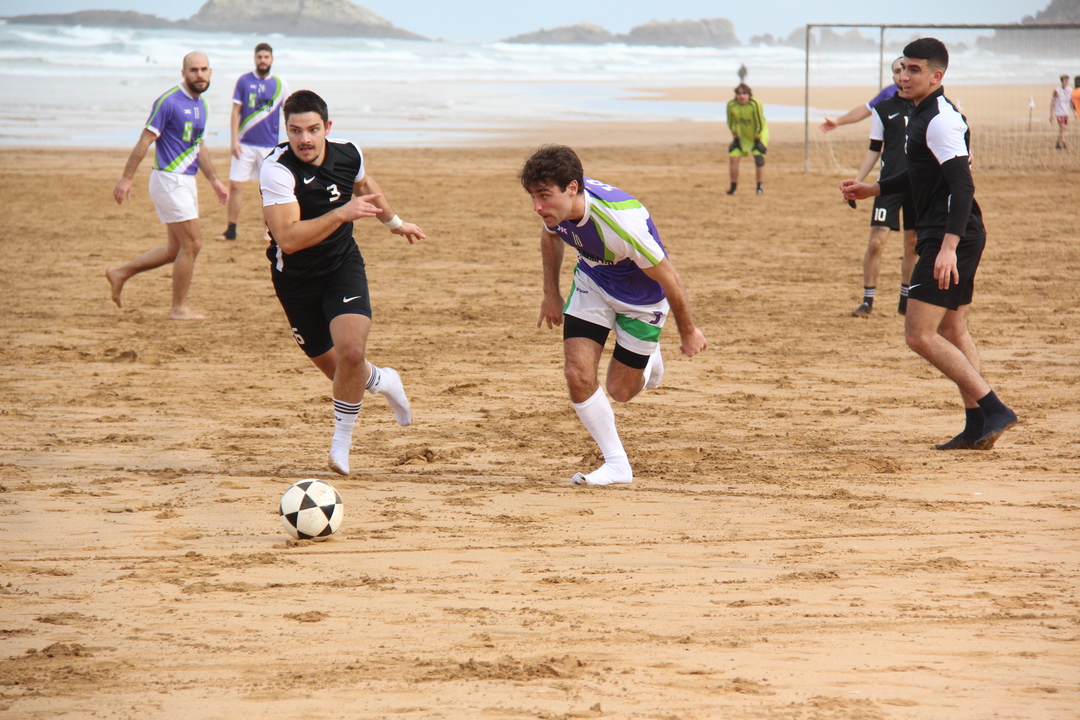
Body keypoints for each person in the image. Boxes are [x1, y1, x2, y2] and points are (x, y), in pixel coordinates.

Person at [840, 37, 1018, 451]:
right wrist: (873, 188)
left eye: (914, 69)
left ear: (937, 76)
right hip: (952, 232)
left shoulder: (939, 119)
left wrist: (949, 246)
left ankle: (995, 409)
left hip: (950, 234)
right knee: (952, 328)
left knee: (919, 335)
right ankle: (977, 426)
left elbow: (962, 185)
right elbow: (921, 174)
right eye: (902, 68)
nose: (904, 76)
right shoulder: (920, 114)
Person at [520, 144, 708, 486]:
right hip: (593, 284)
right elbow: (551, 238)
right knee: (577, 374)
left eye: (544, 196)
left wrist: (688, 331)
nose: (537, 206)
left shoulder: (620, 225)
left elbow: (671, 279)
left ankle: (650, 359)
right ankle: (618, 464)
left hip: (642, 301)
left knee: (620, 391)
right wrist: (551, 293)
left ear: (572, 188)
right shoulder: (558, 211)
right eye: (533, 196)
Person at [260, 90, 424, 476]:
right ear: (286, 130)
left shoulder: (349, 153)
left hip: (341, 267)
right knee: (342, 372)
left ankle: (341, 445)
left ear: (327, 128)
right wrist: (341, 213)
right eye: (295, 130)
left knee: (351, 353)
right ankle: (384, 380)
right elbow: (289, 239)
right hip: (295, 281)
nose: (304, 139)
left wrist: (395, 223)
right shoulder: (277, 169)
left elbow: (366, 187)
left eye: (313, 129)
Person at [108, 51, 228, 320]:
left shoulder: (202, 105)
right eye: (194, 70)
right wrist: (126, 178)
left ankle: (120, 273)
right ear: (183, 73)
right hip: (168, 179)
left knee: (175, 249)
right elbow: (145, 140)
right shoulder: (168, 102)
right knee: (193, 243)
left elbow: (198, 146)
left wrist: (214, 180)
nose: (200, 74)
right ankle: (179, 308)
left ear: (210, 73)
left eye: (204, 69)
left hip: (186, 181)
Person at [850, 58, 918, 318]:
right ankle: (867, 300)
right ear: (894, 77)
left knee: (913, 243)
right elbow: (874, 149)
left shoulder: (927, 107)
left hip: (918, 186)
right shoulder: (883, 108)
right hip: (887, 185)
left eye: (907, 70)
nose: (903, 75)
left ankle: (905, 300)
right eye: (898, 71)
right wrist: (858, 180)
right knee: (877, 242)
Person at [216, 43, 288, 241]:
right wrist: (233, 140)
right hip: (245, 144)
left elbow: (288, 113)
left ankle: (268, 230)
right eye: (259, 57)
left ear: (272, 59)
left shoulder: (280, 84)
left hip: (269, 146)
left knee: (268, 188)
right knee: (236, 185)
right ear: (254, 59)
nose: (262, 61)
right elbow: (235, 112)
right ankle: (231, 230)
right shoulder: (244, 81)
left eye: (266, 57)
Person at [725, 83, 769, 195]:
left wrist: (758, 138)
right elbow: (731, 122)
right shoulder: (731, 105)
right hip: (743, 133)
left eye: (744, 94)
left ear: (749, 95)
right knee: (733, 156)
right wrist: (735, 136)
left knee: (758, 156)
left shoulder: (755, 104)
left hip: (758, 132)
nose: (741, 96)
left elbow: (760, 122)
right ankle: (733, 188)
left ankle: (759, 188)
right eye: (739, 94)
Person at [820, 83, 898, 134]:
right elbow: (867, 108)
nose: (901, 75)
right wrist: (837, 121)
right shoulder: (890, 91)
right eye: (897, 71)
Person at [1051, 74, 1071, 149]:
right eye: (1065, 80)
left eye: (1067, 80)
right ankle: (1062, 142)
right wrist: (1051, 114)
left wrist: (1074, 111)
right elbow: (1052, 102)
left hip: (1066, 112)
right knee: (1063, 127)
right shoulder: (1057, 90)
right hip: (1059, 112)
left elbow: (1071, 101)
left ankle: (1059, 143)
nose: (1066, 82)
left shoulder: (1069, 90)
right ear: (1062, 81)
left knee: (1062, 129)